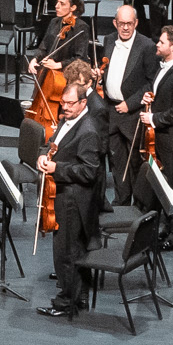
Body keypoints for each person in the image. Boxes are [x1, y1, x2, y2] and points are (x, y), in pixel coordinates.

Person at [45, 61, 123, 317]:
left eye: (70, 104)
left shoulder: (87, 131)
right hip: (65, 197)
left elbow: (89, 172)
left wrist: (57, 169)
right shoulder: (68, 120)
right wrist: (44, 156)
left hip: (72, 201)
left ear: (83, 104)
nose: (64, 107)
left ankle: (67, 301)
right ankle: (78, 297)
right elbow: (55, 145)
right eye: (63, 103)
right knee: (74, 251)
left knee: (66, 254)